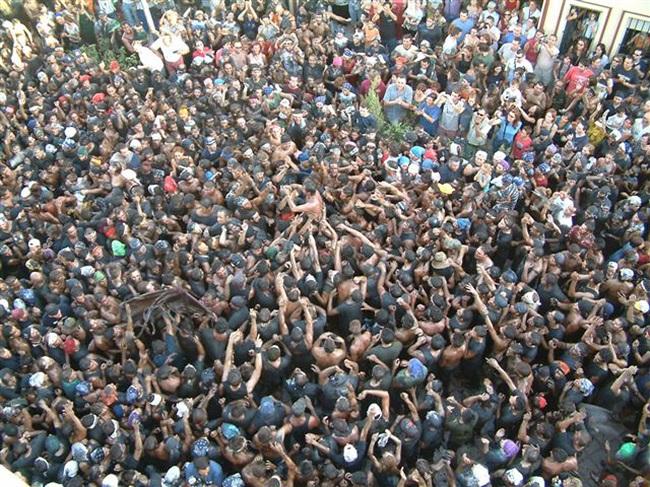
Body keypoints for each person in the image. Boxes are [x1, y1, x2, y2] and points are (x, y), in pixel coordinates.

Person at [0, 2, 649, 487]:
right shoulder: (368, 366)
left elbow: (276, 341)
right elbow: (297, 329)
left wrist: (306, 280)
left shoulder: (284, 367)